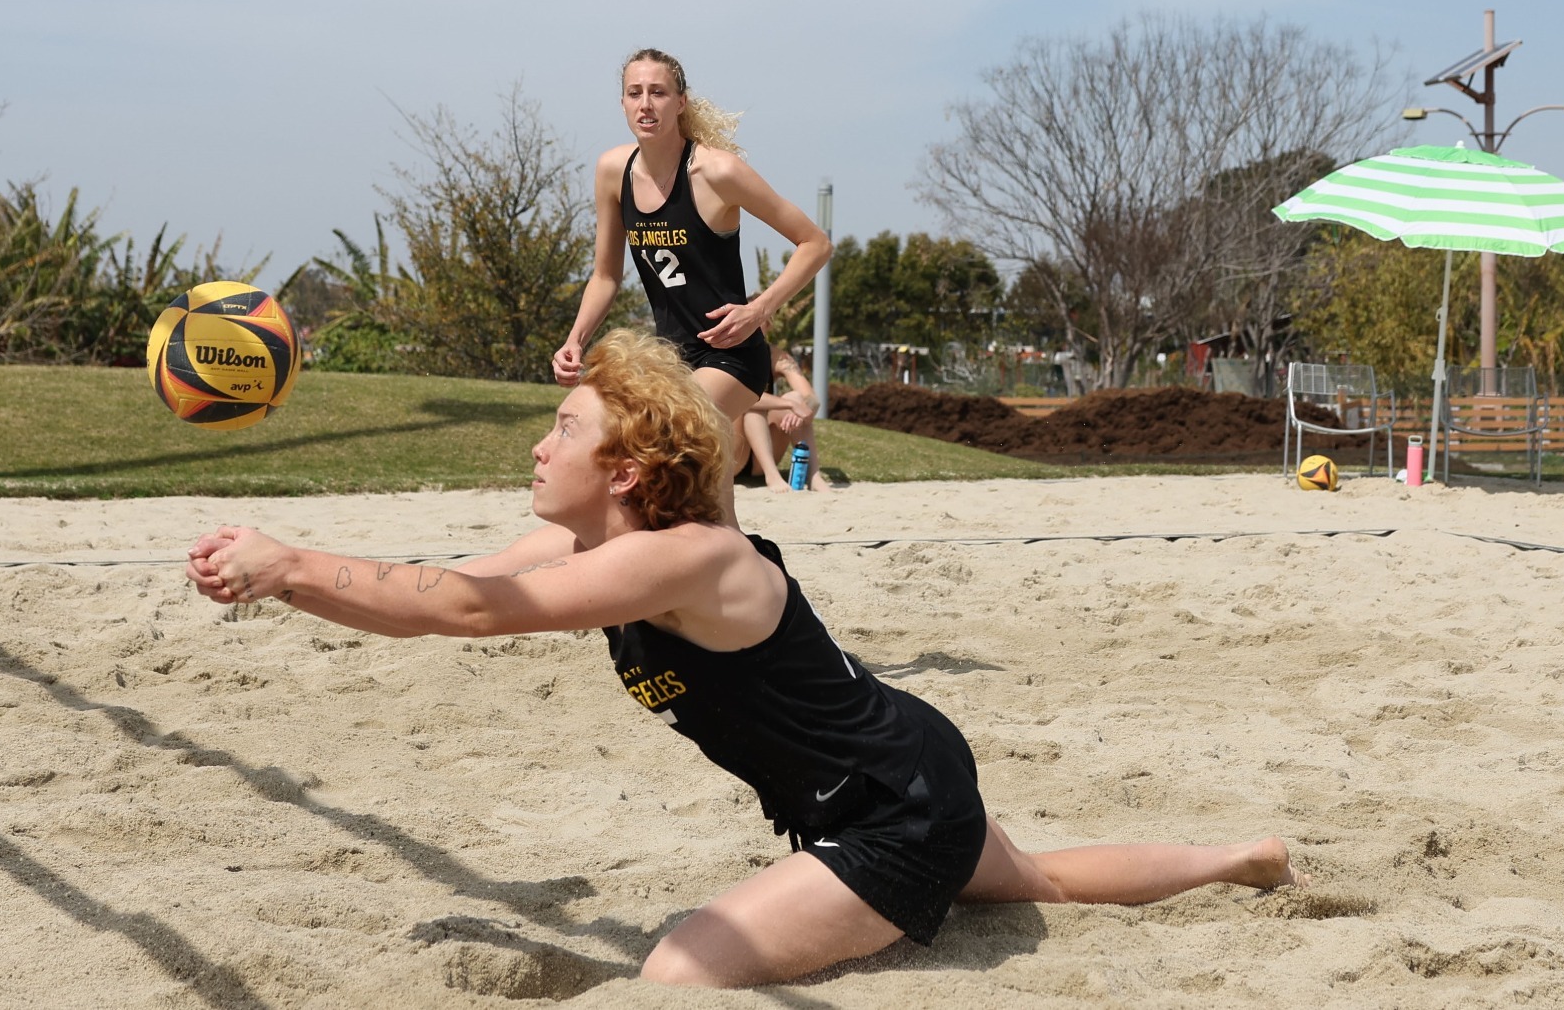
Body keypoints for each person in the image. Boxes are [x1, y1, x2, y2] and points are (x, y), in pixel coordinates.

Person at [187, 329, 1305, 989]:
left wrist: (290, 563)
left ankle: (1226, 857)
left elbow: (469, 613)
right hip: (904, 758)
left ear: (626, 470)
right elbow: (434, 587)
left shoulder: (685, 557)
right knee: (1036, 878)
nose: (538, 443)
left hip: (888, 813)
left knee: (678, 973)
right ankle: (1238, 857)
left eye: (565, 430)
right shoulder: (597, 542)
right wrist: (288, 575)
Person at [551, 49, 830, 512]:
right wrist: (574, 340)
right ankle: (745, 572)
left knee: (661, 438)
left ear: (681, 102)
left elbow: (815, 243)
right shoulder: (611, 172)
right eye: (634, 93)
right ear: (621, 103)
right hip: (673, 361)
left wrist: (760, 308)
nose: (646, 104)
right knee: (708, 507)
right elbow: (605, 274)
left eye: (658, 92)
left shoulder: (716, 171)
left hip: (734, 358)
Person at [735, 345, 825, 491]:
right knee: (753, 407)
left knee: (797, 398)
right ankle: (772, 477)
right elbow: (740, 396)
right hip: (733, 454)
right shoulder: (723, 349)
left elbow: (812, 399)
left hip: (761, 458)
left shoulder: (777, 356)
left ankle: (814, 476)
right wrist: (788, 405)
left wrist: (802, 411)